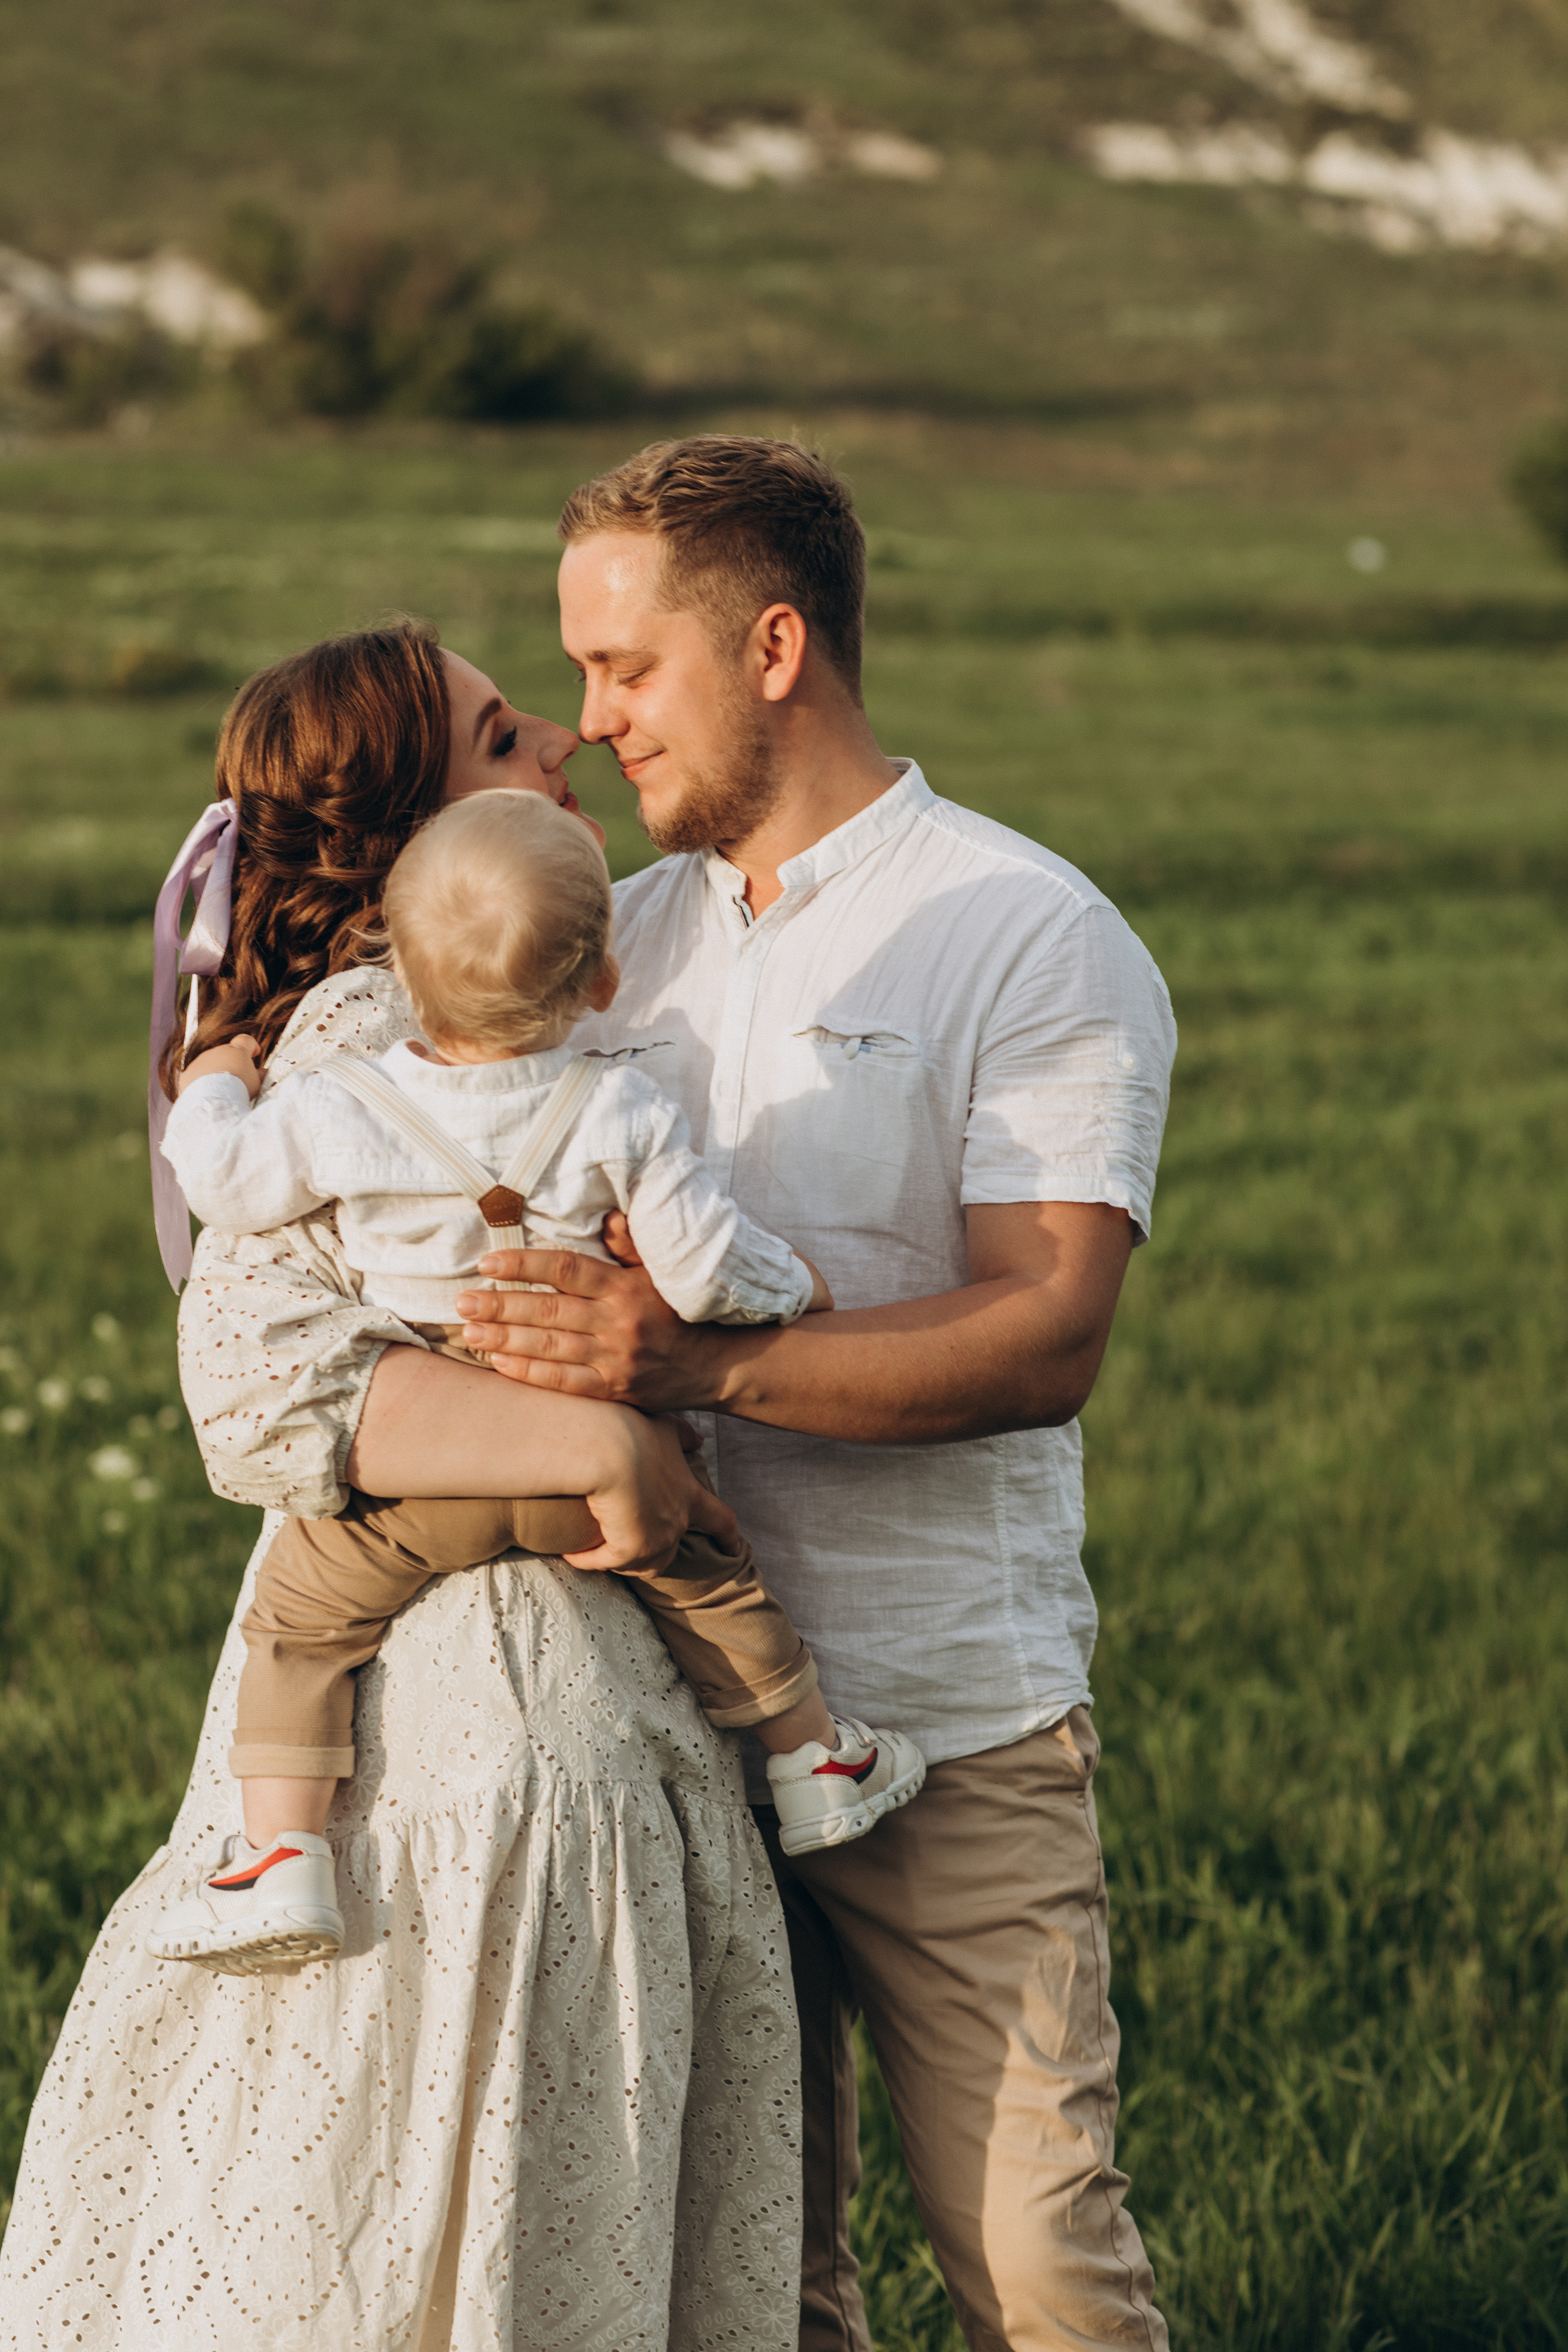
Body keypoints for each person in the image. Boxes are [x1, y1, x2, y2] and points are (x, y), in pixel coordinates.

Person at [0, 621, 802, 2352]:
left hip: (500, 1681)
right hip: (479, 1707)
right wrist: (602, 1445)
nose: (563, 746)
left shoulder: (466, 1019)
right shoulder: (383, 1037)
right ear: (417, 841)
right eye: (506, 739)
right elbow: (252, 1381)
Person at [147, 786, 922, 1970]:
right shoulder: (623, 1107)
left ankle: (282, 1856)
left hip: (429, 1466)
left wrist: (214, 1077)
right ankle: (815, 1761)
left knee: (301, 1624)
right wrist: (801, 1287)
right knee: (708, 1574)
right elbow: (707, 1269)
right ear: (602, 982)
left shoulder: (343, 1106)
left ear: (399, 965)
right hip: (591, 1451)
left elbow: (221, 1181)